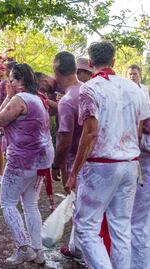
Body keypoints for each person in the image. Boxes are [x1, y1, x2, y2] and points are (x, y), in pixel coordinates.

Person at [65, 41, 150, 269]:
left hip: (102, 165)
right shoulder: (136, 89)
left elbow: (90, 133)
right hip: (130, 163)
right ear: (113, 61)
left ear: (90, 63)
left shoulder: (90, 88)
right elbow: (139, 130)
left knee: (85, 226)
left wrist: (74, 172)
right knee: (121, 228)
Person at [0, 63, 54, 266]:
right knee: (30, 204)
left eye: (11, 79)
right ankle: (38, 251)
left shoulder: (19, 99)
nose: (8, 83)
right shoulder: (38, 99)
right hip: (41, 160)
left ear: (19, 81)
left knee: (7, 202)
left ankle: (23, 248)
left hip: (23, 161)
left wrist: (8, 96)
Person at [50, 52, 84, 260]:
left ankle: (84, 253)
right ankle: (75, 247)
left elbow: (64, 138)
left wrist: (56, 164)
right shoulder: (89, 90)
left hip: (75, 159)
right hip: (96, 156)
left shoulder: (68, 99)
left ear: (56, 71)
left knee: (80, 208)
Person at [127, 64, 150, 269]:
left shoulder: (144, 94)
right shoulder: (131, 92)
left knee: (139, 220)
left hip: (143, 162)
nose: (132, 76)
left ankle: (139, 264)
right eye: (130, 73)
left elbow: (141, 132)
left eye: (135, 73)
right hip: (138, 160)